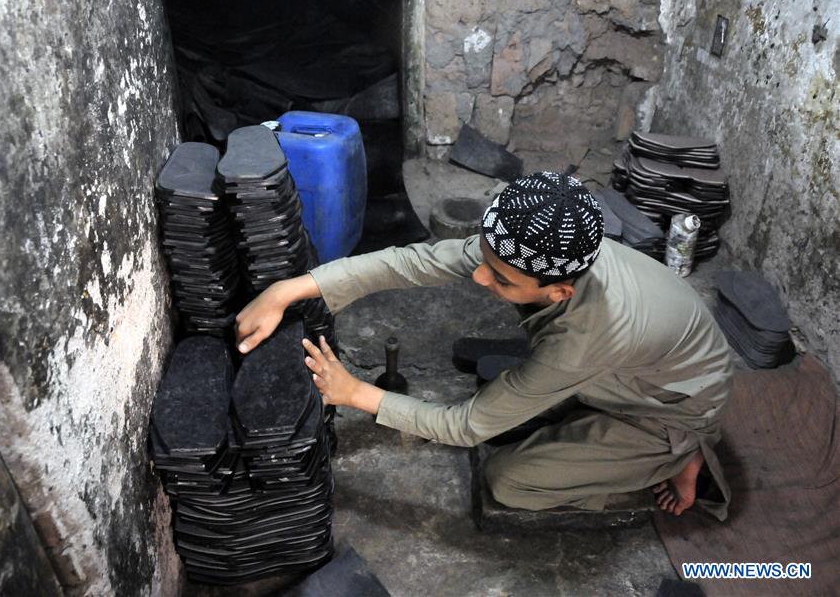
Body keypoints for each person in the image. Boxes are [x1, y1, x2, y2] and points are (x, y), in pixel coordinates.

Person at [234, 171, 733, 519]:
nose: (477, 275)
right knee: (512, 392)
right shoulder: (539, 243)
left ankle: (678, 457)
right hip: (644, 365)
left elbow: (466, 425)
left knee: (509, 481)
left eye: (500, 278)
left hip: (671, 408)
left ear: (558, 292)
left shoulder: (584, 339)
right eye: (485, 258)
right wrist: (293, 288)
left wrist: (356, 394)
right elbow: (415, 263)